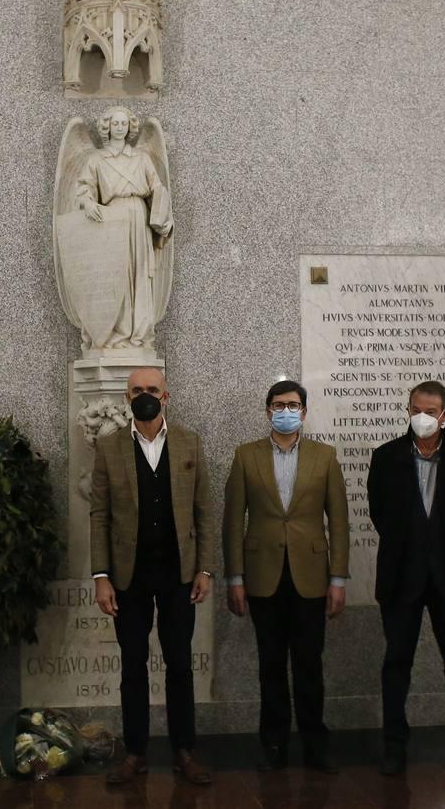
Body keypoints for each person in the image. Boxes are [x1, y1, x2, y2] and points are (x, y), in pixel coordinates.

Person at [90, 367, 215, 786]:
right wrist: (101, 576)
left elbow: (204, 510)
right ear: (127, 398)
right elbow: (100, 514)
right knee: (133, 664)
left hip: (179, 573)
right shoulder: (108, 448)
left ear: (166, 395)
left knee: (180, 663)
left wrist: (205, 568)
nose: (144, 395)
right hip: (129, 577)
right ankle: (136, 753)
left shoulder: (189, 442)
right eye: (137, 390)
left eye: (152, 390)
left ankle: (184, 751)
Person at [223, 379, 349, 773]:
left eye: (293, 404)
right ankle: (273, 744)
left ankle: (315, 745)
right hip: (262, 577)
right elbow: (232, 522)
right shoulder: (246, 456)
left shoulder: (325, 457)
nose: (285, 411)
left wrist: (338, 579)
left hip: (311, 576)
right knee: (271, 666)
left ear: (305, 412)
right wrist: (235, 578)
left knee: (310, 665)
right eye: (278, 404)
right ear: (267, 411)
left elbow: (340, 522)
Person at [368, 381, 445, 781]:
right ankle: (394, 748)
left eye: (431, 411)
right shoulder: (385, 457)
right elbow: (380, 514)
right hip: (402, 578)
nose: (422, 417)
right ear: (408, 410)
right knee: (396, 663)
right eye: (416, 408)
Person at [73, 106, 173, 350]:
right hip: (111, 218)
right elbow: (84, 187)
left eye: (123, 124)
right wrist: (86, 202)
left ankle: (138, 334)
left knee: (138, 272)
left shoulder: (141, 158)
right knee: (115, 275)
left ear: (130, 128)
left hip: (138, 217)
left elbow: (157, 187)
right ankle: (115, 332)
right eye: (115, 124)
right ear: (107, 127)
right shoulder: (96, 159)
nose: (119, 128)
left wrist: (161, 213)